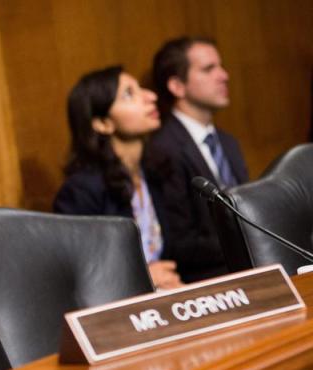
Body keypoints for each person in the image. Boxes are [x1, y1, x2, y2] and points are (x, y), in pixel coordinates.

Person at [54, 66, 182, 290]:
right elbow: (80, 274)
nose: (150, 96)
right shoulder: (81, 191)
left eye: (142, 89)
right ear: (102, 123)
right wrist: (143, 276)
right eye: (129, 94)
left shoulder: (155, 173)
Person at [147, 36, 249, 283]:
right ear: (177, 86)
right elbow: (180, 242)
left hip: (252, 266)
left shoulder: (227, 142)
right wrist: (249, 238)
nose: (224, 75)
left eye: (221, 66)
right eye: (208, 69)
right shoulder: (162, 149)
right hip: (208, 280)